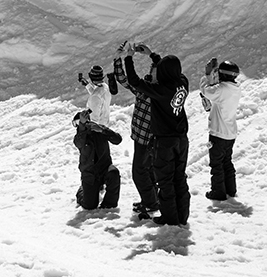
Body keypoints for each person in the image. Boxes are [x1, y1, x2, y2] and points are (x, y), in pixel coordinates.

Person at [122, 41, 190, 226]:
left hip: (165, 141)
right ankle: (181, 216)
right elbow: (169, 71)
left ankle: (170, 217)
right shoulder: (182, 83)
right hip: (182, 140)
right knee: (179, 179)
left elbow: (135, 81)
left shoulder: (161, 91)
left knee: (166, 181)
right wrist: (153, 56)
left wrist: (129, 57)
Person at [114, 42, 160, 214]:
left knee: (139, 173)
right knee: (148, 171)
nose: (151, 71)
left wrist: (126, 58)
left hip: (145, 138)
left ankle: (151, 204)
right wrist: (151, 55)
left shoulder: (149, 90)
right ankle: (151, 200)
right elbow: (124, 80)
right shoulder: (151, 88)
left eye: (154, 70)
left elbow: (125, 80)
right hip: (146, 137)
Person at [200, 58, 242, 201]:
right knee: (227, 162)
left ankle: (218, 192)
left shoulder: (221, 89)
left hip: (218, 133)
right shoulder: (235, 88)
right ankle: (231, 189)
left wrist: (207, 76)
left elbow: (205, 91)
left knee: (216, 164)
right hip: (230, 134)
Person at [72, 109, 123, 210]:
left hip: (104, 168)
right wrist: (82, 126)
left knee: (114, 173)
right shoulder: (80, 136)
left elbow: (118, 139)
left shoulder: (100, 130)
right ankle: (82, 190)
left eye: (79, 122)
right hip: (89, 174)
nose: (78, 125)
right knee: (89, 205)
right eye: (77, 123)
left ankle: (109, 204)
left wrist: (103, 130)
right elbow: (79, 142)